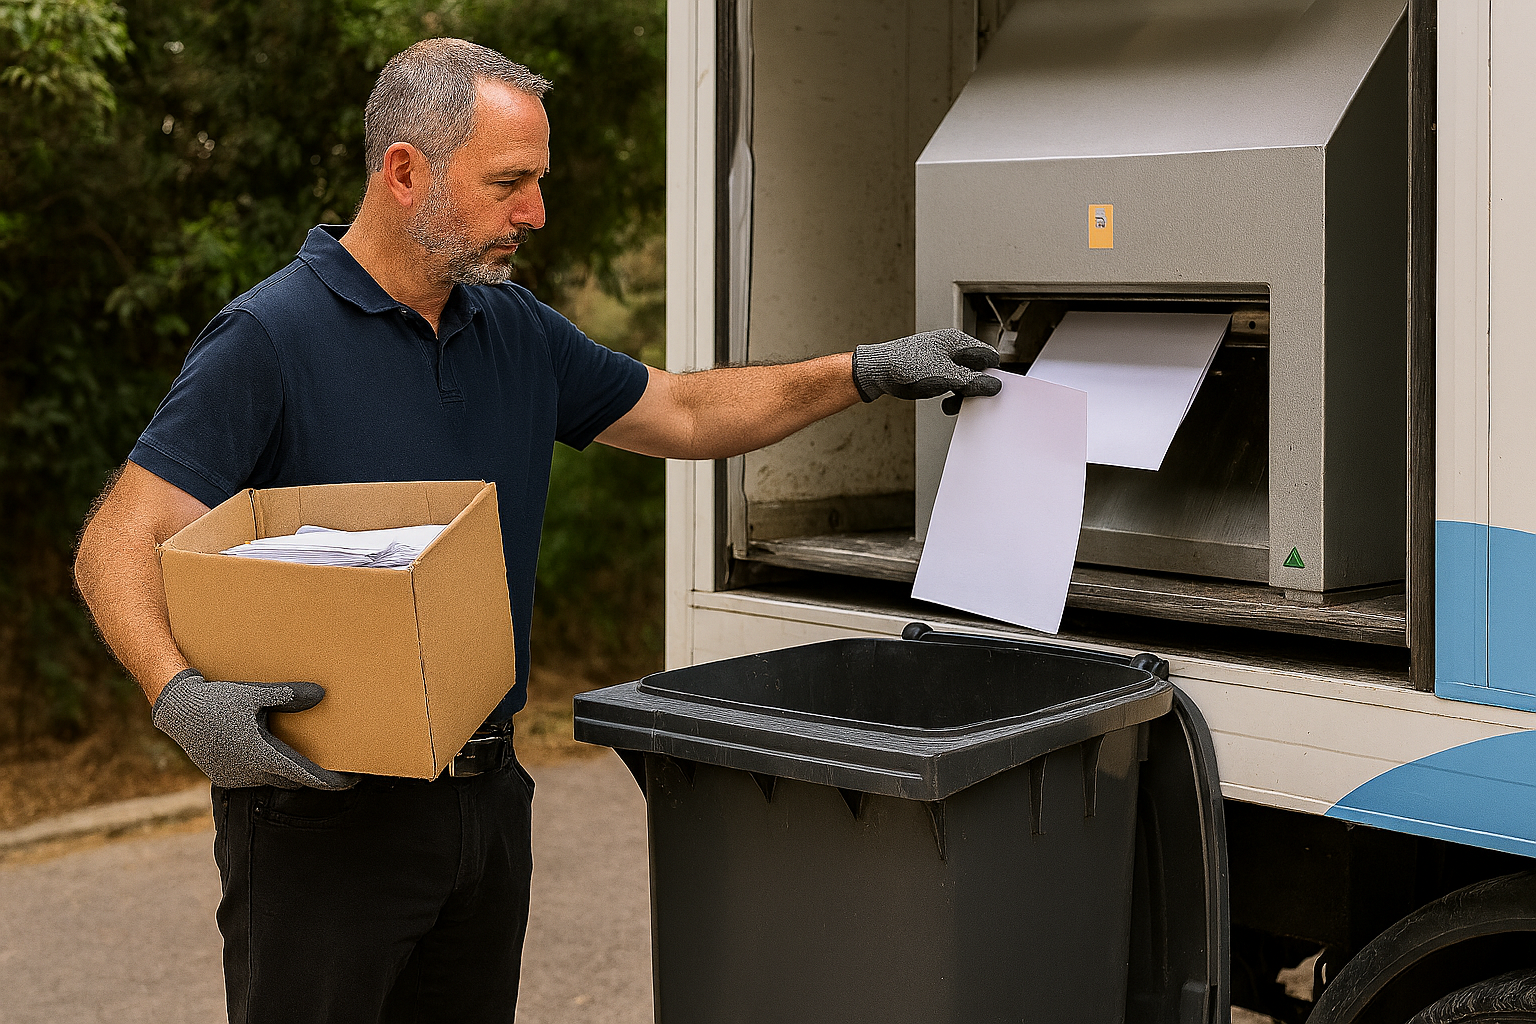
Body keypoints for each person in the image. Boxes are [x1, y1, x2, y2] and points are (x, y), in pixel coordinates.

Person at [72, 37, 1000, 1024]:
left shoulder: (513, 330)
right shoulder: (270, 337)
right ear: (404, 173)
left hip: (484, 800)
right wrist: (179, 697)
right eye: (510, 182)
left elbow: (684, 411)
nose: (536, 213)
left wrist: (865, 370)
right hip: (317, 815)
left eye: (539, 181)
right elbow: (119, 539)